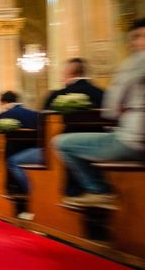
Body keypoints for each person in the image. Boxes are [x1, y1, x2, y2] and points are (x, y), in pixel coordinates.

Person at [54, 18, 145, 208]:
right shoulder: (96, 90)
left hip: (134, 141)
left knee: (61, 143)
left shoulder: (136, 62)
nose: (133, 43)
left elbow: (111, 108)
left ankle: (98, 191)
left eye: (137, 37)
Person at [8, 58, 105, 199]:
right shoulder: (101, 93)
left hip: (58, 152)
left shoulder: (56, 96)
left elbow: (42, 125)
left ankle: (37, 198)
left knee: (14, 161)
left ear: (69, 74)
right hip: (99, 149)